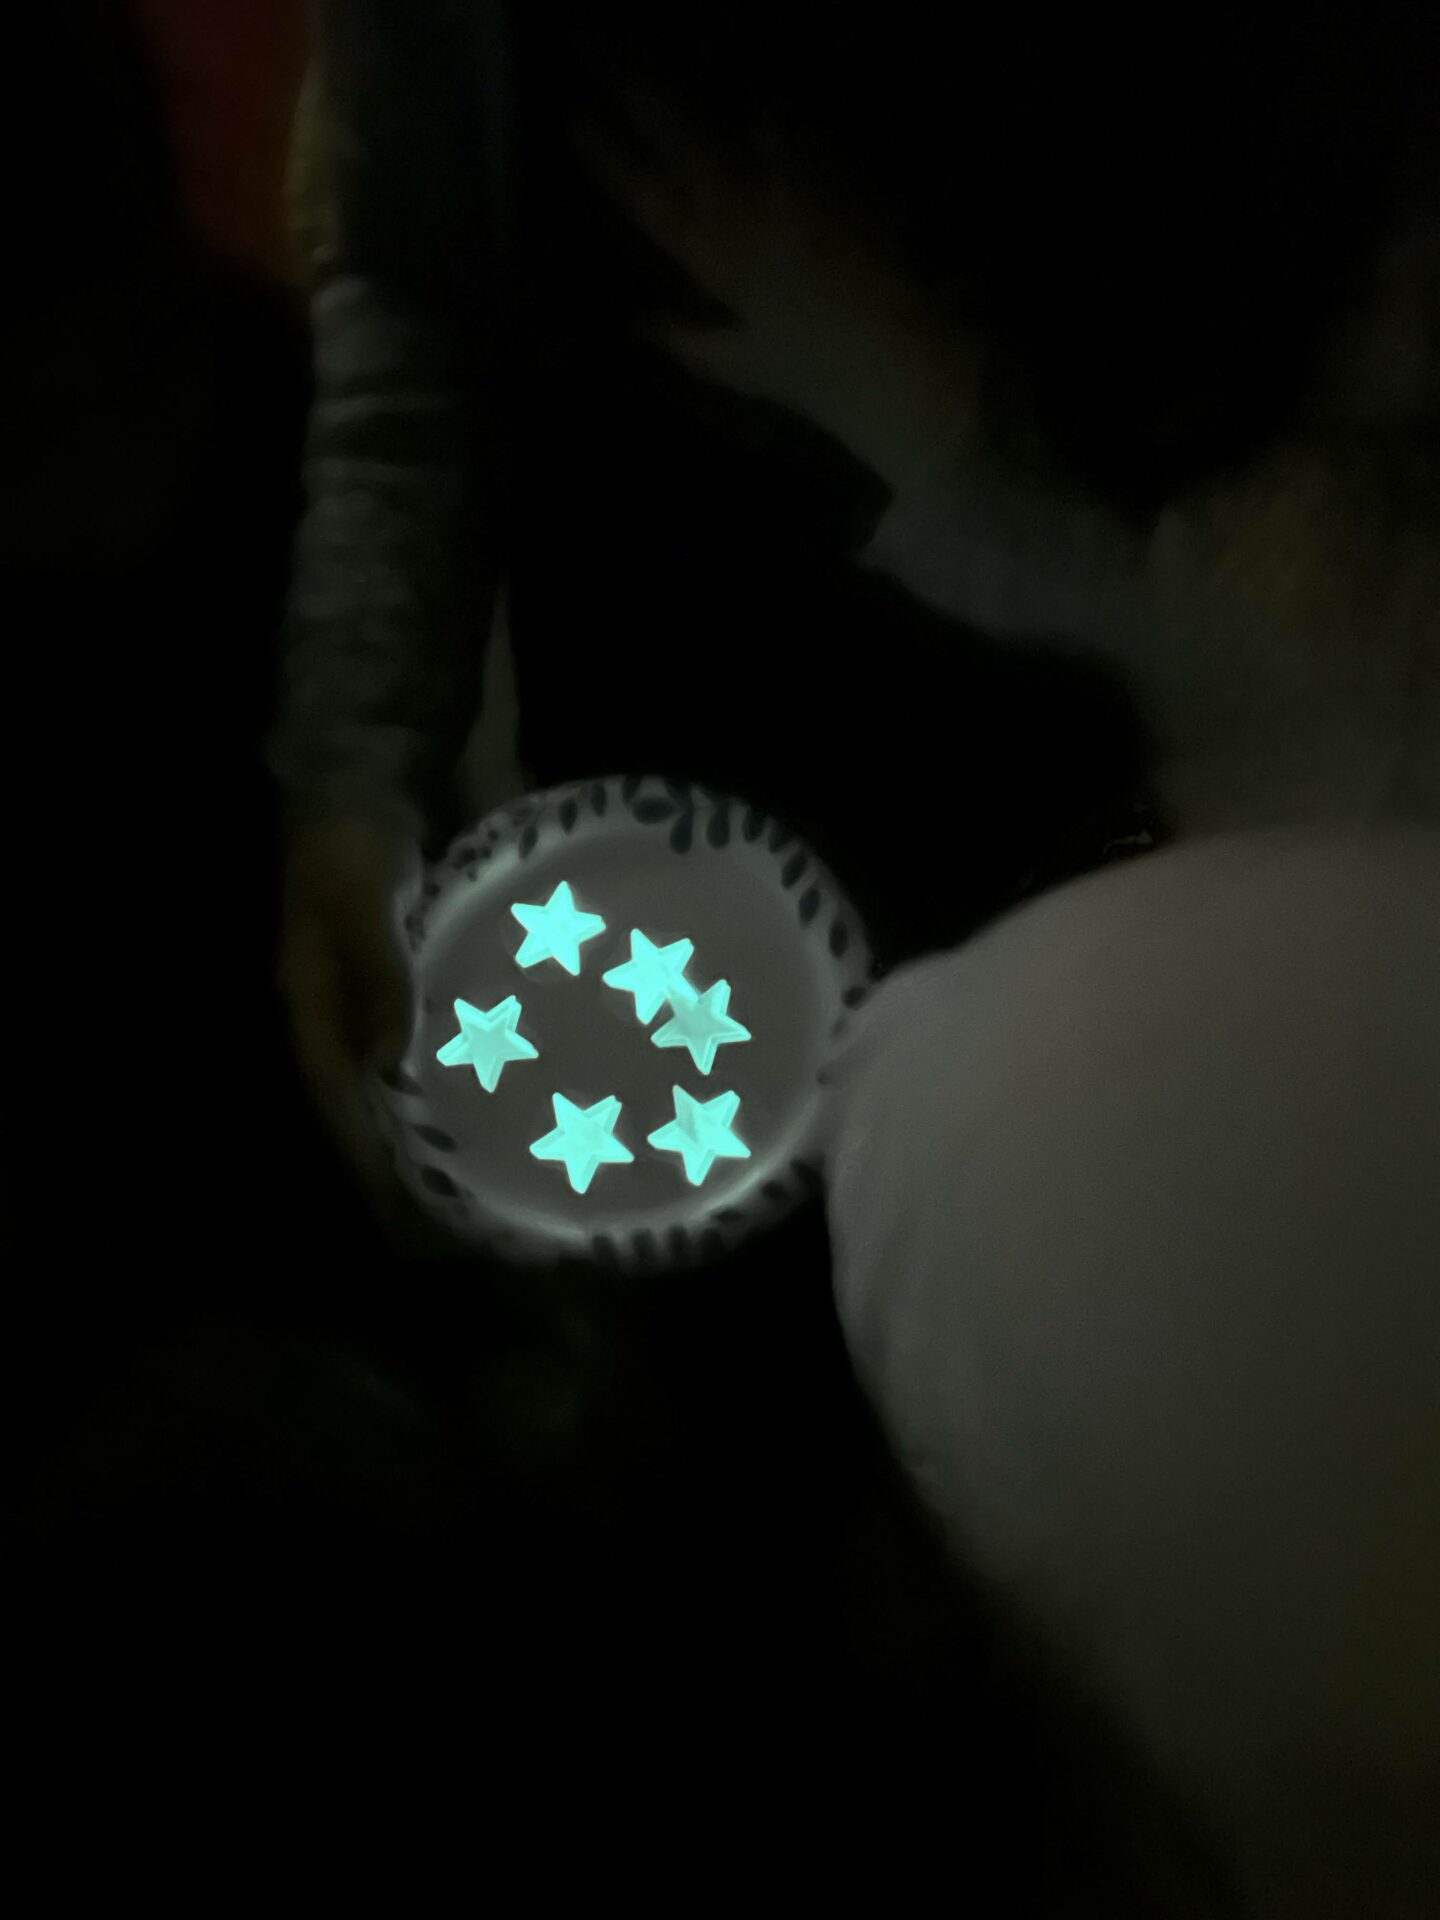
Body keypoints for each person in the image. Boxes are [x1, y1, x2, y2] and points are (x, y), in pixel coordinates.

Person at [264, 0, 1440, 1906]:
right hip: (676, 729)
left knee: (1064, 1469)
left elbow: (1319, 573)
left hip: (1081, 790)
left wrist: (959, 444)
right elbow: (415, 282)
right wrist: (355, 754)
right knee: (755, 1447)